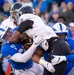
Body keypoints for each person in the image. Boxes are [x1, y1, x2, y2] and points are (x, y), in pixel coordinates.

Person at [8, 6, 70, 75]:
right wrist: (26, 44)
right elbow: (39, 54)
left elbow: (12, 39)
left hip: (58, 47)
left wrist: (6, 39)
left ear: (23, 14)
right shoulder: (37, 21)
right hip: (55, 47)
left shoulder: (28, 21)